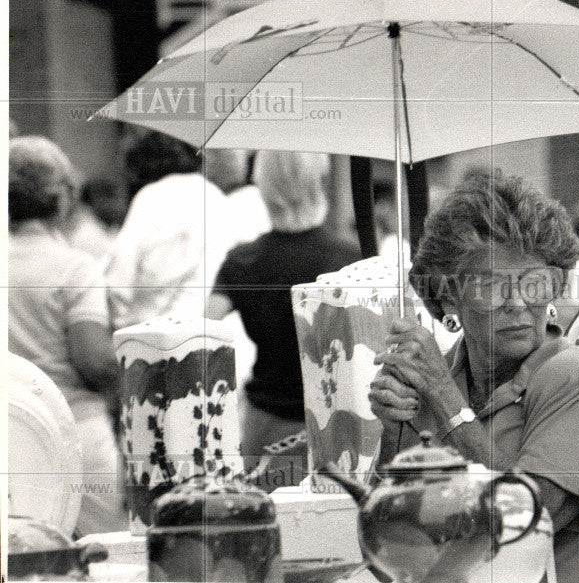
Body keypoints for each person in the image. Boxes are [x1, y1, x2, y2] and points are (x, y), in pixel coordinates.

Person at [367, 168, 579, 583]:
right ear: (448, 293)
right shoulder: (434, 375)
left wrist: (444, 398)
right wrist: (393, 426)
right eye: (491, 286)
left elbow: (521, 519)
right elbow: (391, 549)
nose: (518, 302)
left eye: (536, 283)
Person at [207, 151, 361, 488]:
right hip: (335, 425)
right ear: (320, 181)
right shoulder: (351, 260)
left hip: (265, 427)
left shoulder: (242, 261)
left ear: (262, 185)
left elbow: (204, 334)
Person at [8, 136, 127, 535]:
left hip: (11, 429)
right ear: (61, 200)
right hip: (76, 429)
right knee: (107, 550)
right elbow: (94, 360)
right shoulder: (76, 268)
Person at [105, 130, 232, 328]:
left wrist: (118, 322)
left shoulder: (151, 196)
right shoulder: (219, 200)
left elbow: (119, 275)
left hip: (147, 329)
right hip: (200, 326)